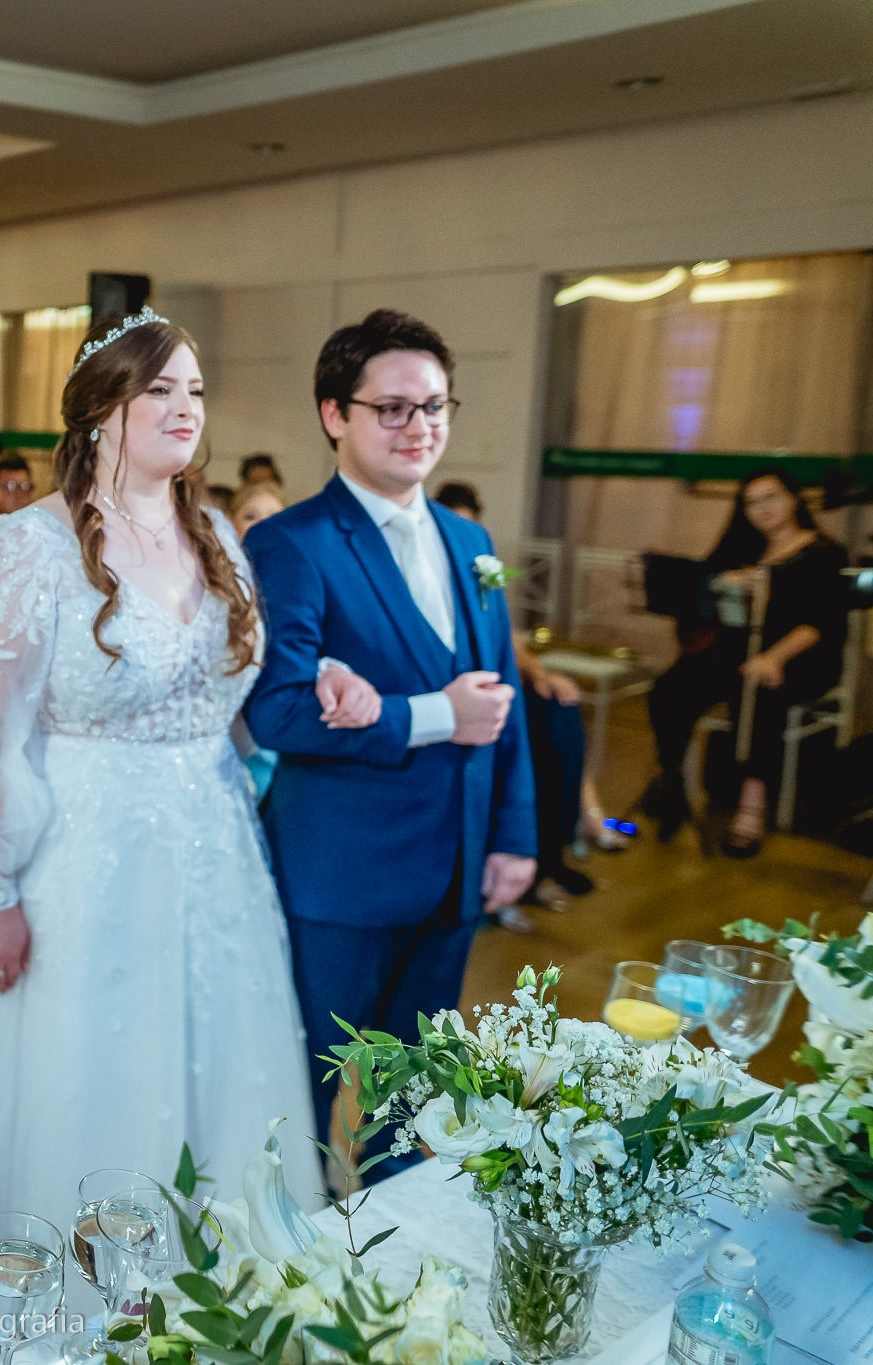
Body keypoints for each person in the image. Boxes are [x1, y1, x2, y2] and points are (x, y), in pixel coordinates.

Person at [0, 308, 375, 1260]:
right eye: (159, 388)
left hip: (215, 856)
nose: (184, 406)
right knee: (84, 1076)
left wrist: (321, 678)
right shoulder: (27, 545)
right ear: (99, 409)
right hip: (80, 861)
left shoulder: (219, 538)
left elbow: (226, 695)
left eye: (195, 389)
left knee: (216, 1078)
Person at [241, 308, 536, 1175]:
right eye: (394, 408)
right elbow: (281, 712)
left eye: (436, 407)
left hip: (456, 869)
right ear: (336, 413)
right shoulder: (291, 543)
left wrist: (514, 833)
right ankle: (289, 1252)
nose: (421, 427)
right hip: (342, 878)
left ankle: (393, 1240)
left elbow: (500, 696)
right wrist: (434, 714)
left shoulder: (471, 541)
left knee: (414, 1091)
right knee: (304, 1085)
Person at [644, 467, 847, 856]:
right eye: (751, 502)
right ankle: (669, 778)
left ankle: (752, 808)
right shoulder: (741, 550)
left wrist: (773, 657)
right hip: (737, 655)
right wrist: (721, 585)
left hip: (799, 657)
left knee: (757, 695)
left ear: (792, 498)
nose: (761, 509)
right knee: (671, 687)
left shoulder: (825, 553)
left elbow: (821, 623)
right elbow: (701, 604)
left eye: (769, 497)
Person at [434, 480, 592, 925]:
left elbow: (504, 627)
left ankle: (554, 850)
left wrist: (540, 673)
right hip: (447, 689)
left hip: (489, 679)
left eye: (471, 523)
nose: (463, 532)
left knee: (559, 713)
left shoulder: (483, 561)